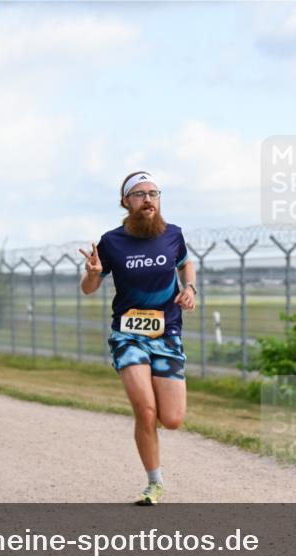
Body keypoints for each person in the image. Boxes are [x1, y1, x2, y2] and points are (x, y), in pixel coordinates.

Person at [79, 171, 196, 505]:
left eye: (154, 193)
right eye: (140, 194)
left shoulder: (173, 235)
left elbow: (187, 265)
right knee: (146, 411)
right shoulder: (112, 241)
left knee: (172, 420)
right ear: (126, 201)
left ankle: (155, 459)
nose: (148, 199)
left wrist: (190, 288)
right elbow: (90, 289)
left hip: (167, 334)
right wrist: (91, 274)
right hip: (128, 336)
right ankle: (154, 483)